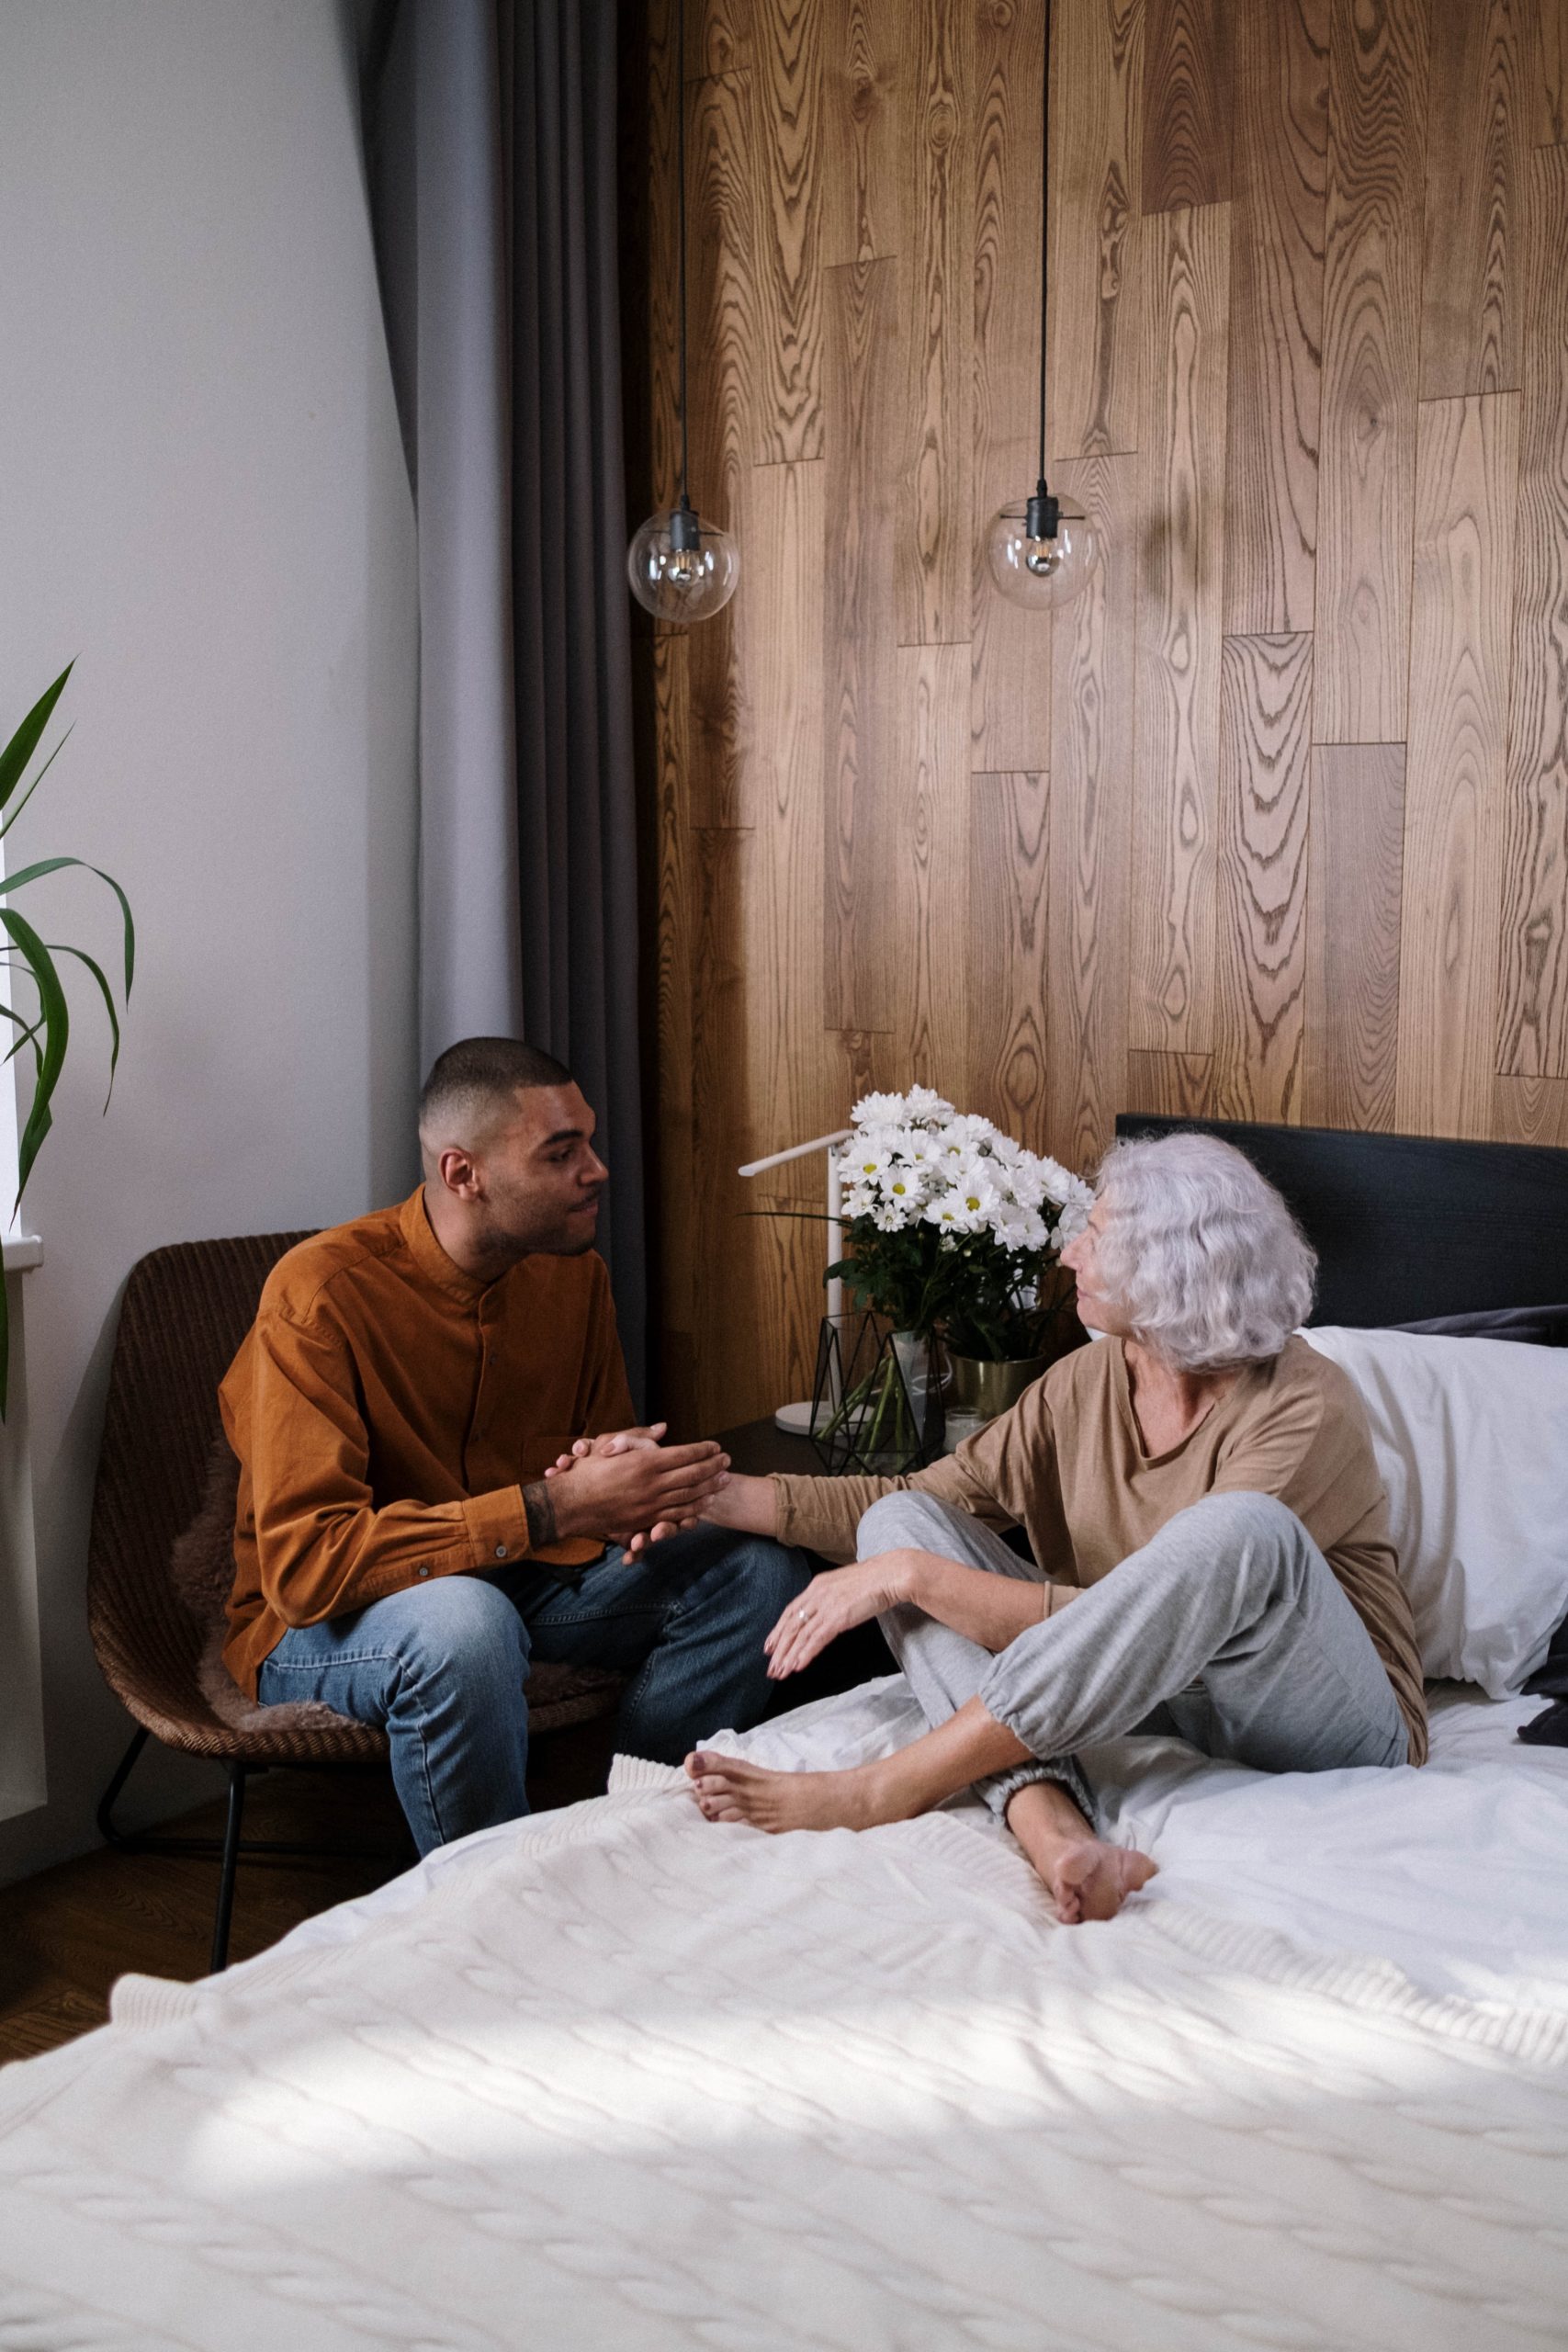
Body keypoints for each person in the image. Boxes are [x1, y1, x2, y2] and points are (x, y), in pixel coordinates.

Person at [685, 1131, 1427, 1924]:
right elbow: (920, 1495)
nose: (1068, 1255)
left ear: (1171, 1264)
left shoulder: (1304, 1406)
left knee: (1243, 1525)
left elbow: (1172, 1626)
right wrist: (712, 1495)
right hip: (1152, 1695)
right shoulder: (1082, 1382)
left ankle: (889, 1785)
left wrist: (918, 1578)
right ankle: (1052, 1827)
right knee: (901, 1521)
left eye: (1095, 1238)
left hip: (1324, 1719)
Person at [221, 1036, 808, 1853]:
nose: (597, 1170)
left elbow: (586, 1486)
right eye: (562, 1153)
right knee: (465, 1622)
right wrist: (549, 1505)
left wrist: (628, 1489)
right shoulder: (318, 1296)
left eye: (589, 1142)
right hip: (325, 1624)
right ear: (465, 1174)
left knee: (759, 1572)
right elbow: (305, 1568)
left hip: (527, 1581)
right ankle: (498, 1902)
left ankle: (631, 1836)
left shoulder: (573, 1278)